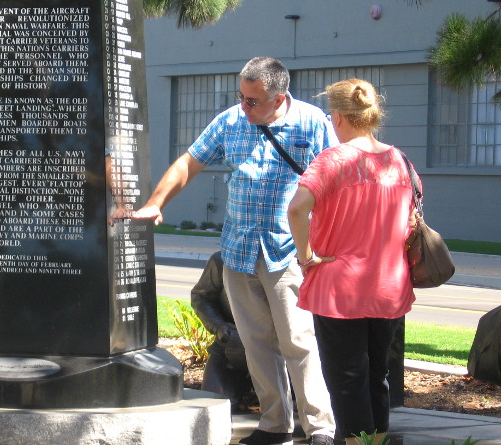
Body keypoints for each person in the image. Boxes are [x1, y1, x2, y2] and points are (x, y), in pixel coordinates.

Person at [134, 57, 336, 445]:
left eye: (252, 101)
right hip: (238, 252)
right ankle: (275, 424)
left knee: (298, 341)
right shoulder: (231, 121)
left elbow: (336, 181)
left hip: (287, 252)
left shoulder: (312, 123)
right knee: (256, 343)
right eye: (241, 97)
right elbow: (188, 164)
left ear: (279, 99)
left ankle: (320, 428)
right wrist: (157, 202)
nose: (244, 107)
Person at [287, 78, 417, 444]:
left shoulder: (333, 160)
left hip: (341, 288)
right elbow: (410, 220)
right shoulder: (399, 161)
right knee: (377, 375)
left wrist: (306, 256)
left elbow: (297, 208)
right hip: (389, 286)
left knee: (346, 379)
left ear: (339, 117)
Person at [190, 251, 255, 408]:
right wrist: (218, 326)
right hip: (229, 348)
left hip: (275, 353)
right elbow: (201, 297)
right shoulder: (220, 261)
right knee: (212, 404)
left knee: (292, 405)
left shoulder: (284, 260)